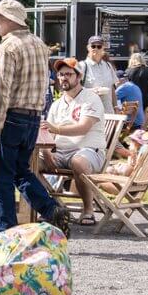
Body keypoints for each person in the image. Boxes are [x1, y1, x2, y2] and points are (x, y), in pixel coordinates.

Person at [0, 0, 74, 235]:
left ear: (11, 20)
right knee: (21, 171)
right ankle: (51, 208)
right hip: (33, 117)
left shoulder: (8, 47)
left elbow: (2, 90)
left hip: (12, 116)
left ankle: (6, 233)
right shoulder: (39, 44)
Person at [42, 58, 108, 226]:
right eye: (61, 74)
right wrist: (46, 151)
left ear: (78, 77)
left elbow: (83, 128)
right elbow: (46, 132)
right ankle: (54, 207)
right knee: (27, 162)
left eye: (69, 74)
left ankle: (88, 211)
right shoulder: (57, 104)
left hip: (88, 150)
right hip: (60, 152)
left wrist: (55, 129)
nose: (64, 78)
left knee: (78, 162)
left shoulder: (90, 98)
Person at [78, 35, 117, 114]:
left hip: (108, 113)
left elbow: (112, 89)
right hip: (89, 114)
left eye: (99, 46)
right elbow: (74, 89)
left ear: (103, 48)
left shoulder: (108, 66)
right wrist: (92, 91)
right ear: (88, 48)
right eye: (93, 46)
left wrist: (115, 107)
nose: (95, 48)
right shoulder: (82, 66)